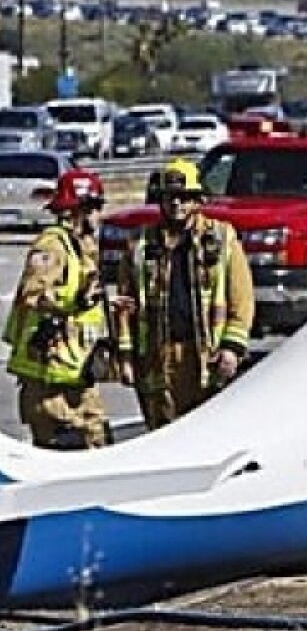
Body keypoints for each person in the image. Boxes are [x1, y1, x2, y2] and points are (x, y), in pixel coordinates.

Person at [116, 159, 254, 429]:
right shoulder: (140, 245)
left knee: (206, 430)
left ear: (198, 200)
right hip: (157, 357)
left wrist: (232, 348)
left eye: (184, 197)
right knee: (162, 431)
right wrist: (125, 359)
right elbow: (125, 306)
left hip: (205, 356)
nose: (176, 204)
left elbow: (242, 299)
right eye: (169, 197)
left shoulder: (222, 238)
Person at [3, 169, 111, 448]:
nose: (100, 215)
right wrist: (75, 300)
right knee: (67, 449)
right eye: (96, 207)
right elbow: (32, 294)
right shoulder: (53, 246)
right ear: (79, 210)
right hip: (48, 379)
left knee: (96, 442)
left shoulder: (79, 247)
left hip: (73, 374)